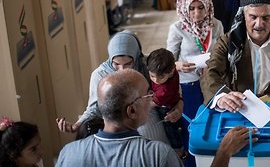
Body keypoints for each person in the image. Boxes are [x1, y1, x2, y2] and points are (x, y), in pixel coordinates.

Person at [55, 69, 184, 167]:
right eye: (147, 95)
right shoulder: (158, 155)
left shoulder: (69, 154)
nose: (151, 98)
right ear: (132, 111)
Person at [166, 0, 224, 166]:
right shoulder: (177, 29)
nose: (197, 13)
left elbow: (223, 54)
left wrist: (214, 65)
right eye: (192, 8)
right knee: (193, 127)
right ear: (184, 6)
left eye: (201, 7)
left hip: (212, 83)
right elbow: (167, 63)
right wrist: (179, 65)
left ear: (208, 4)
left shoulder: (216, 25)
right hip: (188, 85)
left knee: (214, 125)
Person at [56, 30, 146, 133]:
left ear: (135, 57)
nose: (122, 70)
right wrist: (77, 125)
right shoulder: (100, 75)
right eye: (116, 64)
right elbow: (95, 107)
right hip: (117, 130)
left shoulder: (144, 67)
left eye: (128, 64)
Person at [146, 49, 185, 159]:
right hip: (174, 98)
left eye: (161, 77)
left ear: (171, 72)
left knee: (170, 128)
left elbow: (151, 104)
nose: (156, 80)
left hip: (166, 107)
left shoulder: (164, 91)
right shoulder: (172, 71)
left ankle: (178, 150)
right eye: (152, 76)